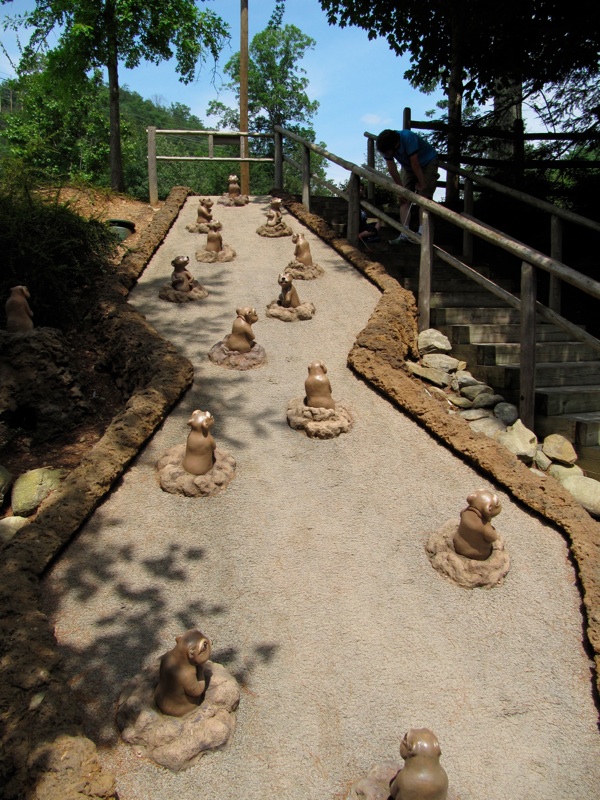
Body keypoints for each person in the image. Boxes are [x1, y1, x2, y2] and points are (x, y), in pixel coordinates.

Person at [376, 128, 439, 244]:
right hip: (408, 166)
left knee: (423, 198)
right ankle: (404, 233)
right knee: (403, 199)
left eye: (390, 151)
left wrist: (422, 183)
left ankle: (422, 233)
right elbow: (392, 168)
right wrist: (400, 189)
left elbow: (415, 164)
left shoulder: (408, 137)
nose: (389, 154)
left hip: (427, 162)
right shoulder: (386, 147)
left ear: (395, 144)